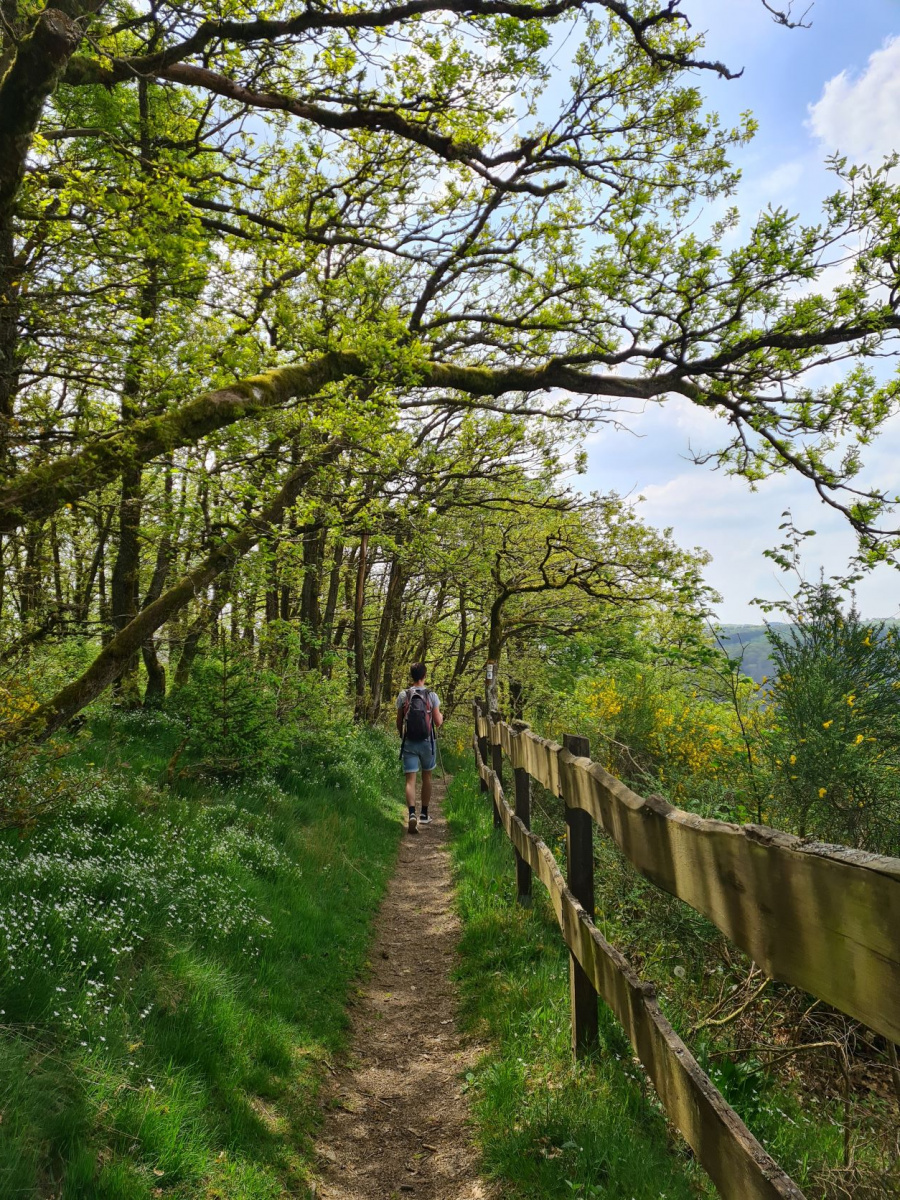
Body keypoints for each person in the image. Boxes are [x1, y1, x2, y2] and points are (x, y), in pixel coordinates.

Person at [396, 662, 443, 833]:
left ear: (411, 676)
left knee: (410, 779)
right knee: (427, 777)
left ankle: (411, 814)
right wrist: (441, 718)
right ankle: (424, 814)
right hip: (427, 742)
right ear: (424, 676)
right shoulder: (432, 696)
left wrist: (404, 737)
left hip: (409, 742)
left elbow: (399, 722)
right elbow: (437, 722)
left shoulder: (404, 695)